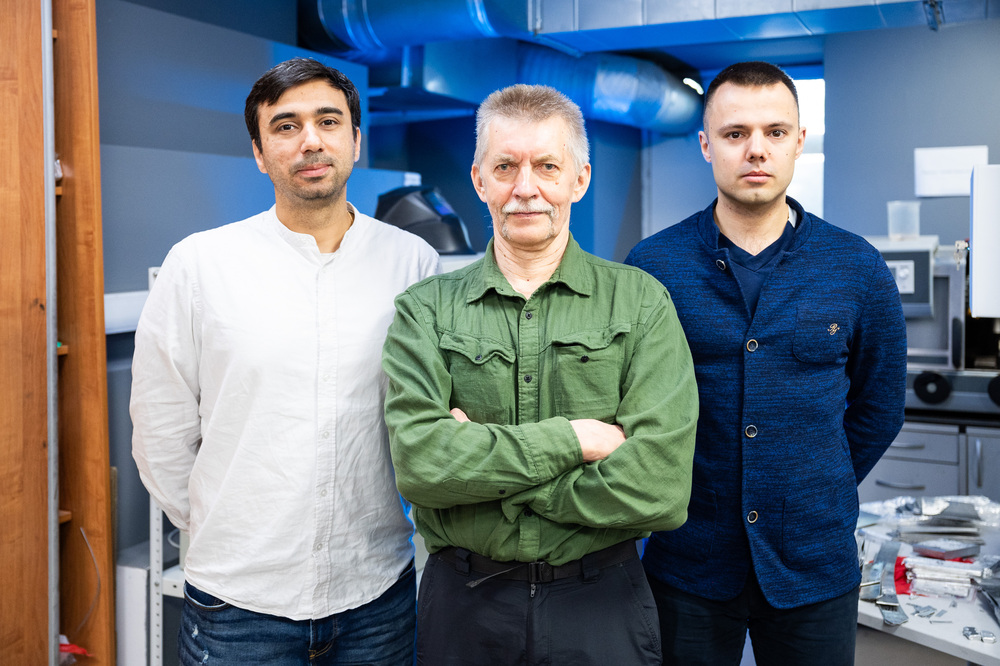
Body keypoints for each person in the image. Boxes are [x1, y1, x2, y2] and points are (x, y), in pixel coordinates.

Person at [131, 57, 440, 665]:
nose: (310, 141)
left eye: (328, 121)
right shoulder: (200, 265)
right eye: (286, 126)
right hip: (238, 605)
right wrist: (225, 526)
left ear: (355, 140)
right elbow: (160, 427)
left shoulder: (413, 263)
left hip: (375, 593)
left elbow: (426, 418)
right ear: (259, 152)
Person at [380, 83, 699, 666]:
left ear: (579, 179)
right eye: (505, 167)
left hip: (600, 604)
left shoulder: (640, 302)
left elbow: (660, 490)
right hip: (464, 605)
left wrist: (487, 477)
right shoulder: (425, 310)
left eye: (547, 166)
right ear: (479, 180)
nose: (525, 188)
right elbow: (421, 466)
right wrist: (575, 441)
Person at [625, 61, 907, 665]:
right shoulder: (653, 267)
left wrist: (815, 485)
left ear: (798, 141)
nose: (756, 149)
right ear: (707, 145)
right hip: (689, 560)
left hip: (815, 564)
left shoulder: (856, 267)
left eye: (775, 132)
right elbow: (629, 404)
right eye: (735, 133)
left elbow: (880, 407)